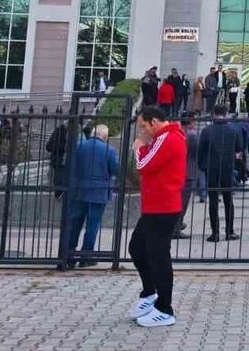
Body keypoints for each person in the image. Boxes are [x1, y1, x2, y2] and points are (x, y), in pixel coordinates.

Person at [129, 106, 187, 328]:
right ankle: (150, 294)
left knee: (159, 257)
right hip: (155, 207)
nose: (142, 131)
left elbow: (143, 165)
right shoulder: (163, 138)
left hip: (163, 207)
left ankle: (164, 308)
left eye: (143, 126)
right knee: (137, 248)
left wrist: (138, 148)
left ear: (154, 122)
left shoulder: (167, 138)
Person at [65, 124, 120, 267]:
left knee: (74, 224)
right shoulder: (109, 150)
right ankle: (86, 257)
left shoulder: (79, 146)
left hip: (79, 190)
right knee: (92, 225)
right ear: (105, 137)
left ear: (92, 134)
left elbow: (70, 165)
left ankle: (68, 255)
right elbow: (116, 169)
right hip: (99, 192)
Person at [197, 104, 243, 243]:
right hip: (227, 169)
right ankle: (229, 231)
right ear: (226, 113)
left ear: (213, 114)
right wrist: (238, 168)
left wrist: (203, 166)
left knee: (213, 201)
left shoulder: (206, 131)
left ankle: (215, 233)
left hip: (212, 169)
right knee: (229, 200)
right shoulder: (233, 130)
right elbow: (239, 151)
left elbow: (201, 151)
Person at [47, 120, 71, 200]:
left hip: (71, 163)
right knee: (59, 182)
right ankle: (59, 195)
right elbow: (49, 146)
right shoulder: (59, 131)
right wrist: (64, 147)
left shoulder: (79, 132)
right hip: (60, 163)